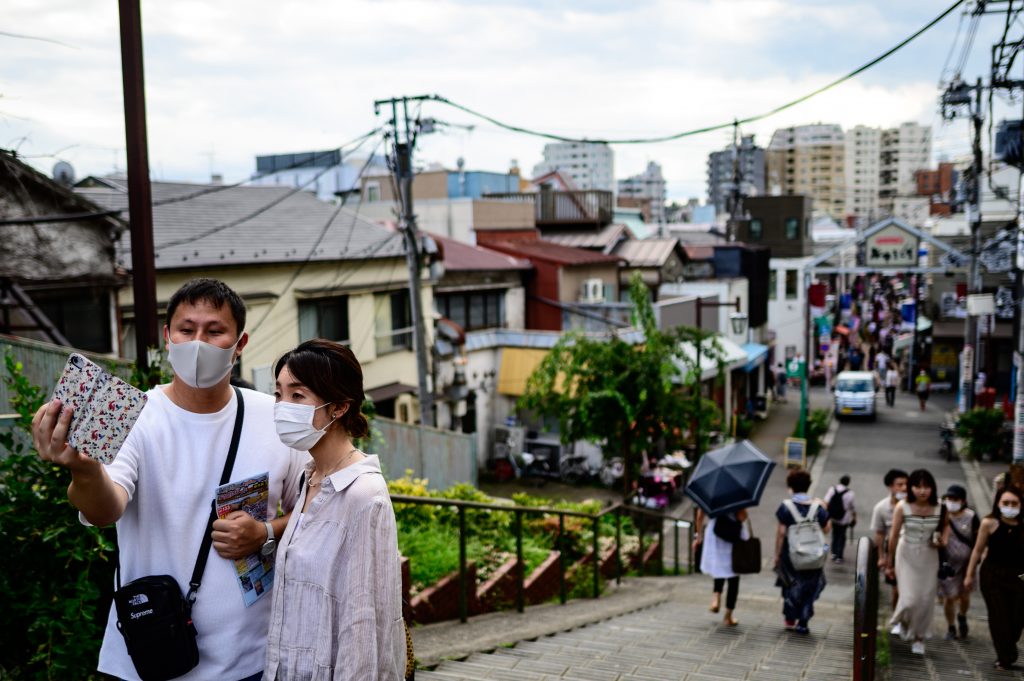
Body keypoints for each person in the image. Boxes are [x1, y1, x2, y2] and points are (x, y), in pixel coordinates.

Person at [31, 278, 305, 681]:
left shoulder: (274, 418)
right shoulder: (136, 417)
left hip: (250, 657)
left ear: (239, 343)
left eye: (215, 331)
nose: (198, 342)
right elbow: (105, 509)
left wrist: (267, 531)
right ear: (167, 337)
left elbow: (315, 509)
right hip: (146, 656)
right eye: (186, 329)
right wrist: (85, 469)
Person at [264, 339, 406, 680]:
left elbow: (364, 624)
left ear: (339, 407)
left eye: (298, 396)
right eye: (279, 394)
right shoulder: (309, 478)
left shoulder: (364, 495)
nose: (283, 407)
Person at [886, 468, 948, 656]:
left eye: (926, 487)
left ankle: (919, 636)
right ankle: (902, 622)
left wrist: (943, 540)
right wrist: (889, 563)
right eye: (918, 487)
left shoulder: (940, 507)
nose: (922, 491)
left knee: (926, 599)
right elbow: (894, 536)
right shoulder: (902, 506)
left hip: (930, 556)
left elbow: (946, 526)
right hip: (906, 555)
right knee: (910, 599)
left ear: (933, 488)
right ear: (911, 488)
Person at [964, 485, 1024, 672]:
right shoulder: (989, 523)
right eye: (1005, 503)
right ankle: (1004, 658)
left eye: (1014, 503)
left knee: (1016, 618)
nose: (1010, 506)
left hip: (1018, 577)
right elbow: (978, 550)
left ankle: (1008, 648)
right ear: (998, 504)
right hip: (992, 576)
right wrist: (969, 574)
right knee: (999, 617)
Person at [774, 468, 830, 635]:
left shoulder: (786, 507)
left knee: (790, 584)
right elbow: (826, 530)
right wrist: (824, 507)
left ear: (790, 486)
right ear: (808, 485)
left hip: (791, 555)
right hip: (814, 555)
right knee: (810, 586)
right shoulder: (818, 507)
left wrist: (777, 554)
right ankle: (803, 621)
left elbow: (781, 533)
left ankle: (790, 618)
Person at [694, 507, 749, 626]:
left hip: (715, 533)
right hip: (733, 535)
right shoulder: (737, 493)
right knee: (734, 574)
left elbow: (699, 515)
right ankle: (728, 615)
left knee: (718, 567)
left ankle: (716, 597)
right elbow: (742, 517)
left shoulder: (711, 492)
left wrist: (698, 537)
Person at [938, 485, 979, 641]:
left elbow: (978, 541)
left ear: (963, 501)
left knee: (964, 596)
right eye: (948, 499)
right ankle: (951, 627)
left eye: (955, 499)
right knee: (949, 597)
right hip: (948, 565)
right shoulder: (942, 515)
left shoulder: (971, 517)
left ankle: (961, 615)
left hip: (967, 564)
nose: (951, 502)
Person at [872, 468, 908, 612]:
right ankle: (898, 619)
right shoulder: (881, 508)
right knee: (897, 590)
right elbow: (879, 534)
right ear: (890, 487)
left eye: (906, 484)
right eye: (900, 485)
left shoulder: (915, 506)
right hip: (893, 551)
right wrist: (881, 557)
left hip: (912, 551)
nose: (904, 488)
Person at [823, 475, 856, 563]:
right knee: (842, 535)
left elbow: (826, 501)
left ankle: (833, 553)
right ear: (848, 483)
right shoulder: (850, 493)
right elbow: (852, 507)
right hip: (844, 518)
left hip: (833, 517)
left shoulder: (832, 489)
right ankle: (839, 555)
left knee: (835, 534)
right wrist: (854, 517)